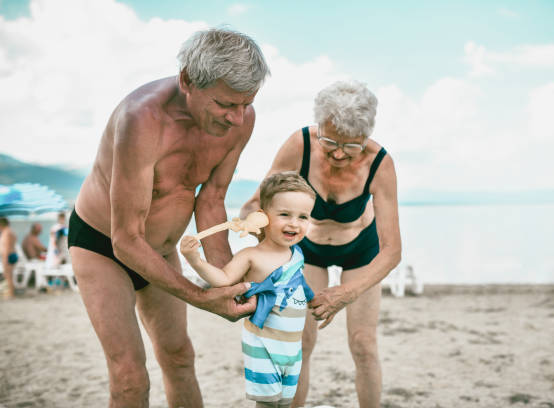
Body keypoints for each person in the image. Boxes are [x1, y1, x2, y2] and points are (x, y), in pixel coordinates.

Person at [67, 28, 270, 407]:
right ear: (188, 81)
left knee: (179, 357)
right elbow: (125, 239)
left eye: (247, 104)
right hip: (103, 246)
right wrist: (200, 296)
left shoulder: (241, 118)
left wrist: (228, 283)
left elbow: (211, 200)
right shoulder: (141, 119)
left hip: (160, 250)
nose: (238, 119)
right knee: (129, 376)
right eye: (226, 104)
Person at [241, 81, 402, 408]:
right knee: (300, 341)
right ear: (319, 129)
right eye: (330, 141)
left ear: (367, 136)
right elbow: (256, 204)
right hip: (308, 249)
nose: (339, 152)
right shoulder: (299, 145)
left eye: (352, 145)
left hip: (361, 249)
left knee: (363, 345)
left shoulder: (380, 164)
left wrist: (346, 292)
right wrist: (255, 230)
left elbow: (392, 251)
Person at [181, 171, 316, 407]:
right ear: (263, 217)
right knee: (266, 404)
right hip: (263, 346)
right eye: (285, 214)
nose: (294, 223)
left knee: (285, 402)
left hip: (292, 347)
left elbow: (297, 285)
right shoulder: (251, 256)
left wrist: (315, 299)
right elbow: (223, 278)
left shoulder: (296, 253)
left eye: (303, 217)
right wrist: (195, 260)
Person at [0, 217, 19, 299]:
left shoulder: (7, 232)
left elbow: (7, 246)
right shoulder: (9, 231)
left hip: (8, 255)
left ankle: (11, 293)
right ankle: (11, 291)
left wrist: (5, 259)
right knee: (9, 275)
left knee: (8, 275)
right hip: (11, 254)